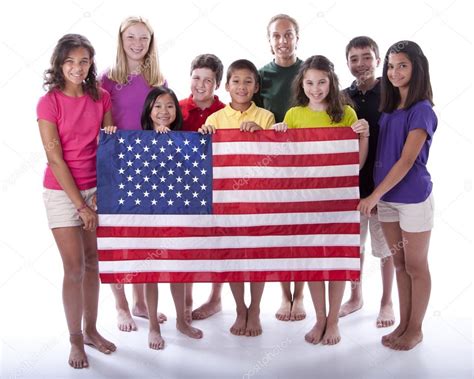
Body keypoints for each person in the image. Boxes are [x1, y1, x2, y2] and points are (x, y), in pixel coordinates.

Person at [273, 55, 369, 345]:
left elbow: (358, 164)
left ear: (331, 82)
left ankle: (333, 321)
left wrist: (364, 136)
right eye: (310, 83)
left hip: (338, 201)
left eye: (322, 82)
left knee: (337, 260)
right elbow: (286, 163)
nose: (316, 88)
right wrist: (279, 134)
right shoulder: (294, 115)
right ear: (302, 84)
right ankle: (319, 318)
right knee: (314, 260)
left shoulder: (347, 115)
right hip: (306, 202)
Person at [37, 33, 116, 369]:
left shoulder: (102, 97)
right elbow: (55, 158)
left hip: (96, 190)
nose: (77, 67)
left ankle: (92, 330)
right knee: (74, 268)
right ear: (59, 64)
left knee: (93, 262)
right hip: (61, 192)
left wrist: (101, 192)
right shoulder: (49, 102)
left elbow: (110, 147)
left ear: (90, 64)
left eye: (84, 61)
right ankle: (74, 340)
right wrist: (81, 206)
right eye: (70, 61)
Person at [104, 87, 203, 349]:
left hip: (177, 212)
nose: (164, 111)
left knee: (178, 268)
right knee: (151, 271)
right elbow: (122, 166)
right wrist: (113, 136)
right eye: (158, 106)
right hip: (148, 214)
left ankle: (182, 321)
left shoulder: (184, 138)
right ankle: (154, 327)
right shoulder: (138, 140)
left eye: (170, 106)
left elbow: (193, 167)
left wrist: (201, 136)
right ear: (148, 110)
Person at [358, 41, 436, 350]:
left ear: (416, 69)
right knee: (400, 264)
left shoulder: (422, 110)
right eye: (390, 66)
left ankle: (415, 329)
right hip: (387, 199)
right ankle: (404, 324)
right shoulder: (389, 109)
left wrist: (373, 195)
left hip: (413, 198)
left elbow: (406, 161)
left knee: (417, 266)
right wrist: (379, 196)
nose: (394, 71)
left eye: (402, 65)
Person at [99, 16, 167, 332]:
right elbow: (101, 121)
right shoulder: (107, 80)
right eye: (131, 38)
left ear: (150, 42)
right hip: (116, 166)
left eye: (143, 38)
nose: (137, 44)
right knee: (118, 237)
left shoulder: (158, 80)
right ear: (121, 40)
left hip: (149, 168)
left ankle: (142, 302)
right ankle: (121, 305)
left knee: (144, 235)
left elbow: (164, 116)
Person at [199, 59, 275, 336]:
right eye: (236, 81)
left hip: (258, 200)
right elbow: (206, 158)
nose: (241, 86)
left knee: (255, 255)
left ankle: (254, 309)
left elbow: (275, 158)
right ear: (227, 86)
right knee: (232, 254)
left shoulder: (265, 117)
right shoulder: (215, 119)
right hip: (227, 199)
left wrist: (261, 135)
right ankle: (239, 308)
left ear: (256, 87)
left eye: (247, 81)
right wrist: (205, 135)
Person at [339, 36, 395, 328]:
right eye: (354, 59)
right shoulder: (341, 97)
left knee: (386, 248)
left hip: (384, 183)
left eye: (366, 57)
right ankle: (355, 295)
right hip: (351, 182)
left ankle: (386, 301)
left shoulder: (391, 92)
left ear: (377, 59)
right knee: (354, 245)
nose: (360, 64)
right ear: (347, 62)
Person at [255, 14, 305, 322]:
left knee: (300, 228)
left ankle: (299, 296)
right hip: (272, 161)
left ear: (297, 38)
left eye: (288, 35)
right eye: (277, 36)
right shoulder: (262, 75)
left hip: (305, 160)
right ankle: (284, 295)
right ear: (269, 40)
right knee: (280, 229)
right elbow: (255, 112)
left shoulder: (309, 70)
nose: (283, 41)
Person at [178, 54, 226, 321]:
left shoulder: (225, 111)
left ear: (217, 84)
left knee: (217, 241)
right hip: (185, 186)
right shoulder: (177, 108)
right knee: (187, 243)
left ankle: (215, 298)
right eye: (196, 78)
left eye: (208, 80)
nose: (200, 85)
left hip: (218, 185)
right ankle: (186, 299)